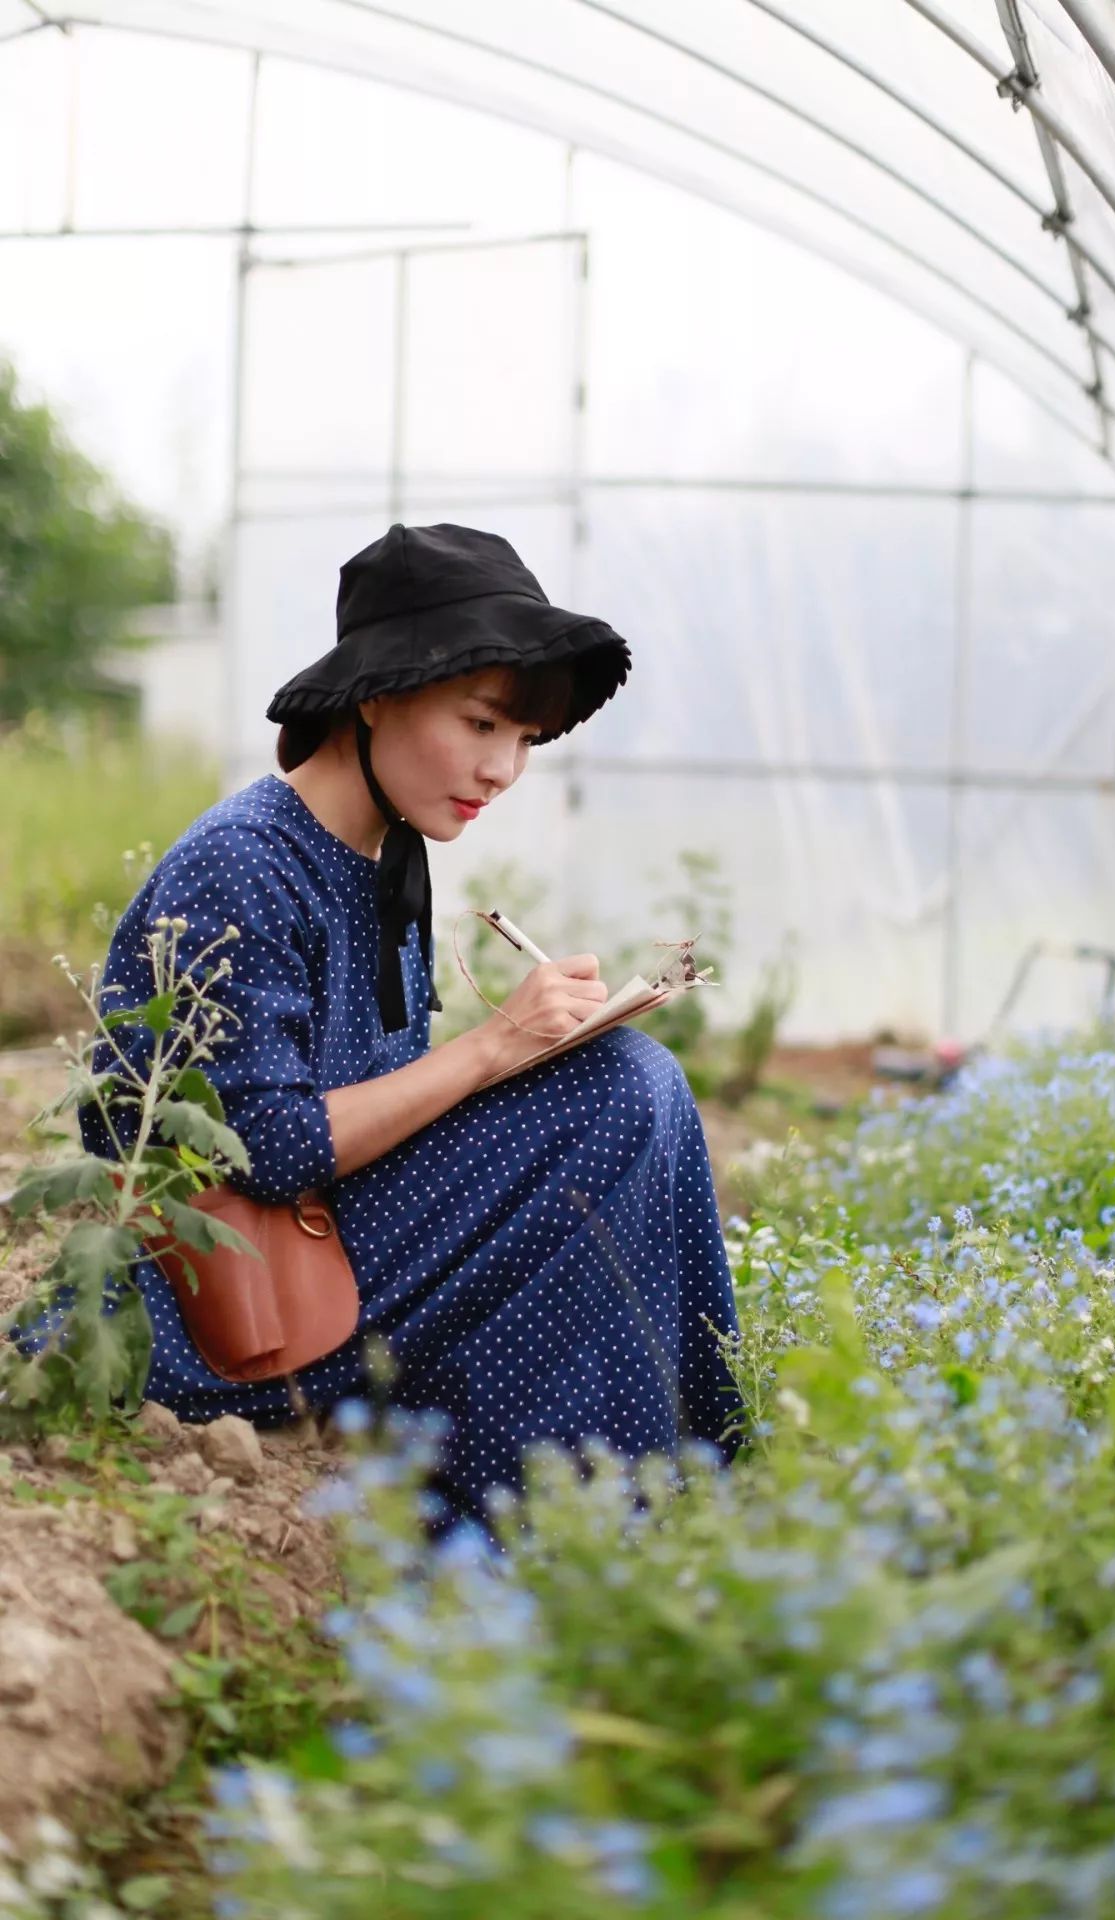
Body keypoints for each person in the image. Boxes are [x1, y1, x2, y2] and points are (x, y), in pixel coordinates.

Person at [81, 524, 744, 1539]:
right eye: (481, 724)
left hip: (323, 1247)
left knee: (630, 1079)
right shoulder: (247, 864)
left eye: (523, 740)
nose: (504, 769)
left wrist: (527, 1053)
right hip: (214, 1303)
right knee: (617, 1093)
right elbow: (266, 1150)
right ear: (377, 694)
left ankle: (663, 1490)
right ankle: (571, 1530)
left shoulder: (379, 857)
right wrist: (490, 1050)